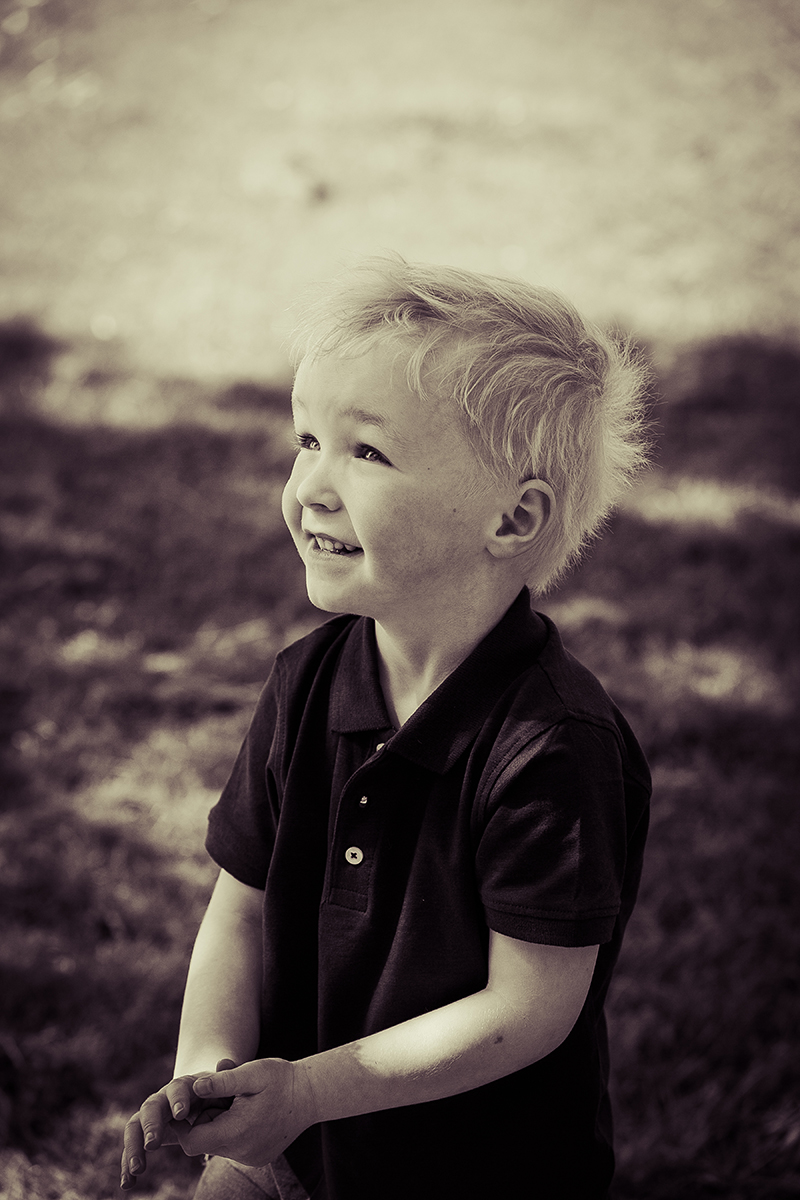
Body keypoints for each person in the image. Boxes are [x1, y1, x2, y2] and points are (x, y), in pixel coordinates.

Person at [120, 257, 652, 1200]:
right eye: (307, 440)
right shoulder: (308, 682)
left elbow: (528, 1007)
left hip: (473, 1172)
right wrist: (209, 1069)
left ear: (513, 518)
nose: (312, 486)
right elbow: (239, 909)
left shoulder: (553, 747)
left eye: (367, 453)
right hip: (284, 1149)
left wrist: (312, 1090)